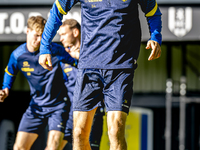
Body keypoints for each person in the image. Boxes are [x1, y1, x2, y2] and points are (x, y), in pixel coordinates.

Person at [38, 0, 162, 149]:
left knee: (116, 130)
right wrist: (44, 47)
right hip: (88, 67)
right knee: (79, 133)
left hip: (120, 67)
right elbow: (57, 10)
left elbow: (153, 12)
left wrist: (155, 37)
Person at [0, 16, 78, 150]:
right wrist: (6, 88)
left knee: (53, 148)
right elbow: (10, 71)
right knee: (19, 147)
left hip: (58, 106)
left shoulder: (56, 50)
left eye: (43, 36)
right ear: (27, 32)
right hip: (36, 106)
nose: (40, 40)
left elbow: (77, 62)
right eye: (36, 35)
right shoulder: (18, 55)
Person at [59, 19, 104, 150]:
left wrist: (80, 58)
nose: (61, 38)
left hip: (92, 112)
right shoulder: (63, 57)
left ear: (75, 32)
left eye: (63, 34)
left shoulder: (92, 50)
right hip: (69, 114)